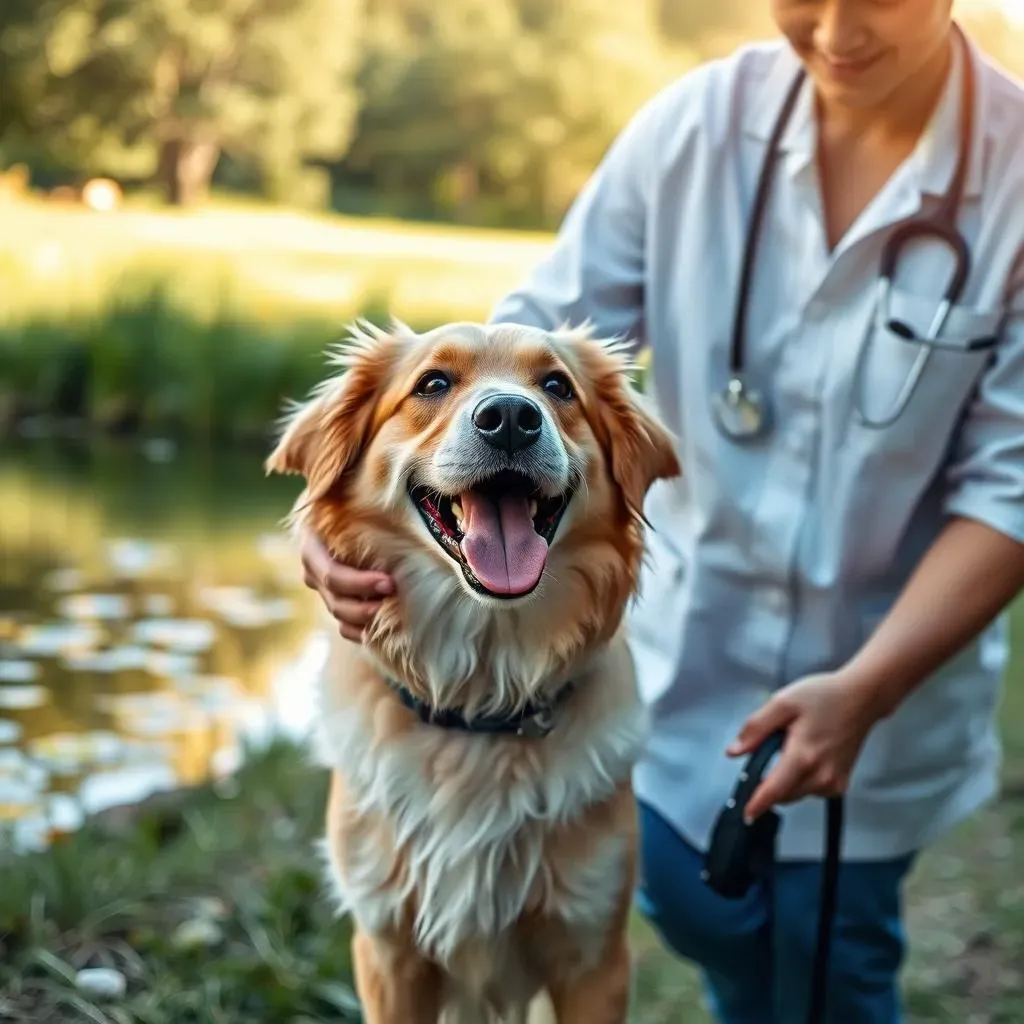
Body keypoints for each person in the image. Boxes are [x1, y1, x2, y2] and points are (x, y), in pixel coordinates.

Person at [297, 2, 1024, 1021]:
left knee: (827, 957)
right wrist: (333, 513)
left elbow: (1012, 484)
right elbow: (528, 346)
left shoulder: (1014, 173)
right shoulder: (693, 128)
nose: (836, 31)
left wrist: (868, 686)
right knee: (700, 911)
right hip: (689, 653)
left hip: (883, 662)